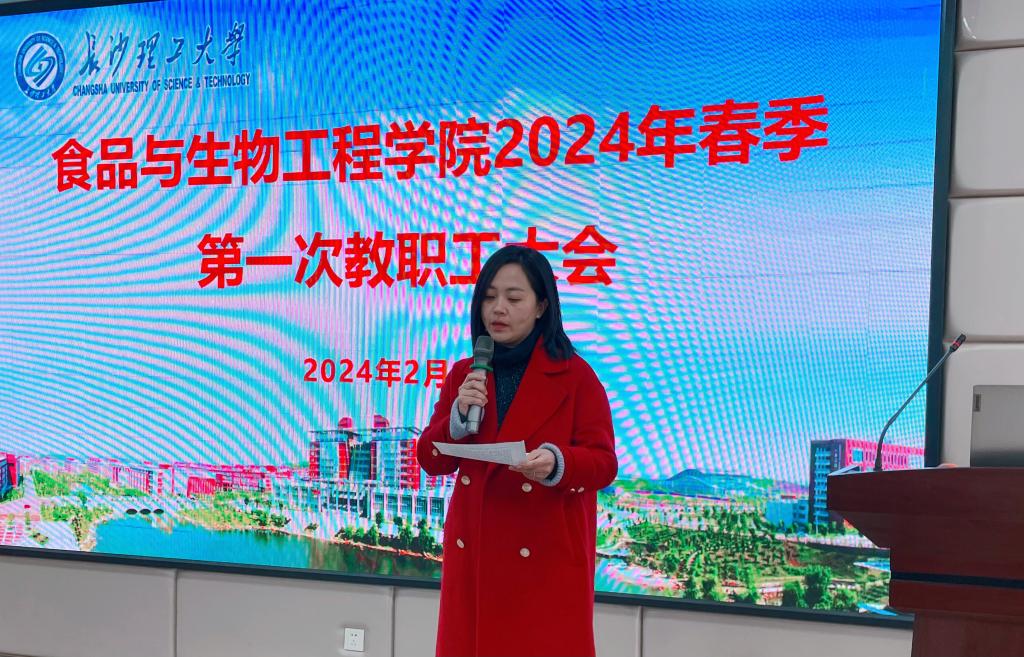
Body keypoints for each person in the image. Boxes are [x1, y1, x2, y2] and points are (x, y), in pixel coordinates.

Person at [417, 245, 618, 657]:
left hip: (543, 561)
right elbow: (430, 458)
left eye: (513, 298)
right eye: (489, 297)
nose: (498, 309)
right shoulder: (465, 373)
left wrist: (558, 463)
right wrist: (457, 419)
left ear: (542, 306)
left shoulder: (576, 377)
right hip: (475, 558)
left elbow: (603, 463)